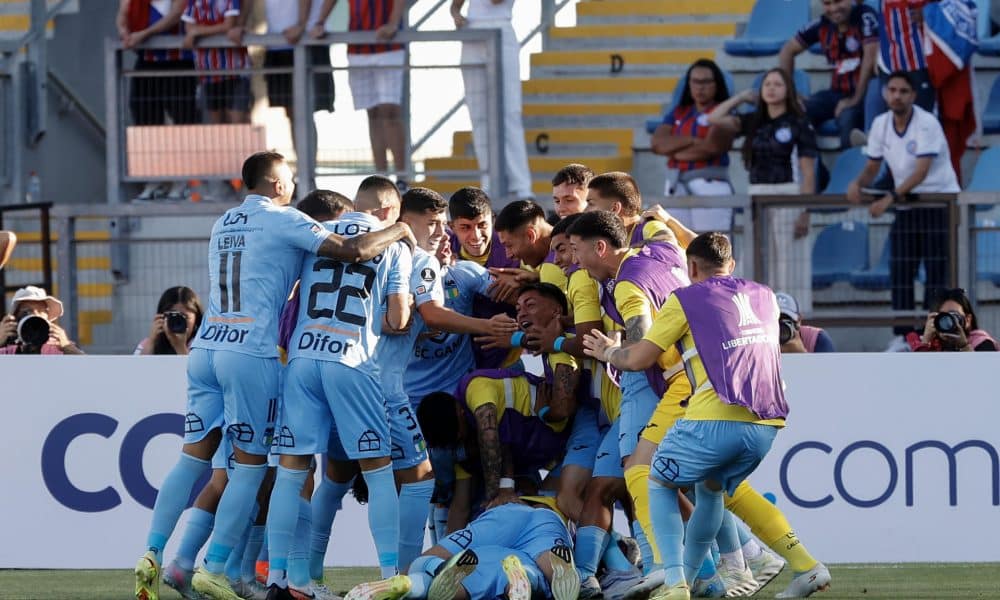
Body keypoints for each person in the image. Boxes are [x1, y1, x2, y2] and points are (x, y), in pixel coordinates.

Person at [133, 151, 414, 600]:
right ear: (278, 184)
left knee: (195, 460)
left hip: (206, 347)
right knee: (250, 471)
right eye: (290, 177)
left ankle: (154, 551)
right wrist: (400, 229)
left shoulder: (223, 221)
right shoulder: (285, 220)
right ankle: (215, 566)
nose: (293, 185)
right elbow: (352, 251)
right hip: (254, 352)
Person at [582, 232, 832, 600]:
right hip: (768, 421)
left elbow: (638, 358)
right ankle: (806, 566)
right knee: (712, 491)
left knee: (653, 477)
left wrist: (608, 352)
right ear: (731, 265)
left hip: (714, 418)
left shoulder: (684, 299)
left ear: (692, 267)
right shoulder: (764, 295)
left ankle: (674, 582)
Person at [264, 175, 413, 600]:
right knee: (379, 471)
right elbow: (398, 319)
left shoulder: (321, 235)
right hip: (351, 360)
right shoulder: (394, 243)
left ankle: (283, 580)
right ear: (388, 211)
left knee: (292, 472)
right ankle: (390, 576)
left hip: (303, 357)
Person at [846, 70, 959, 347]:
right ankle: (904, 336)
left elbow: (921, 171)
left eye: (903, 91)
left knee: (936, 274)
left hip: (937, 201)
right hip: (908, 204)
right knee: (900, 270)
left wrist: (889, 198)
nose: (896, 95)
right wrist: (857, 183)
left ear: (913, 95)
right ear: (886, 93)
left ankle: (938, 335)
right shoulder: (881, 123)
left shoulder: (927, 123)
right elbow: (873, 166)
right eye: (892, 90)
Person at [708, 68, 818, 315]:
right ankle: (757, 312)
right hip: (756, 195)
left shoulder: (799, 123)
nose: (771, 88)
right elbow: (713, 118)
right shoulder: (753, 121)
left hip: (787, 194)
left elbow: (808, 171)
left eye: (778, 84)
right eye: (767, 84)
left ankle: (791, 314)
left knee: (787, 261)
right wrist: (740, 98)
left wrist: (805, 210)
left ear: (788, 90)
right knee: (755, 256)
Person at [344, 499, 579, 600]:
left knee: (453, 569)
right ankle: (524, 581)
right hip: (546, 516)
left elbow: (460, 506)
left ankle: (411, 583)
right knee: (534, 568)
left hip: (498, 518)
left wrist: (403, 571)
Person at [117, 0, 199, 200]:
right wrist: (123, 30)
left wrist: (144, 34)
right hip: (147, 60)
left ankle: (183, 181)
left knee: (182, 121)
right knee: (145, 119)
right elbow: (123, 12)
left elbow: (176, 14)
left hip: (178, 60)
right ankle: (153, 180)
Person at [451, 0, 532, 201]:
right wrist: (456, 14)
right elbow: (456, 5)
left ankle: (520, 184)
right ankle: (488, 179)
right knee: (478, 114)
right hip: (472, 32)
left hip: (500, 29)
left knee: (509, 111)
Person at [651, 58, 736, 232]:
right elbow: (658, 144)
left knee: (711, 249)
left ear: (717, 84)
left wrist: (675, 149)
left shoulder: (723, 110)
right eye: (695, 81)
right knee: (677, 246)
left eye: (706, 82)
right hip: (675, 184)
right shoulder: (679, 111)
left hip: (711, 184)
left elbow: (711, 147)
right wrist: (693, 140)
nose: (700, 87)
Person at [779, 0, 879, 149]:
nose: (833, 8)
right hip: (835, 93)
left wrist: (855, 99)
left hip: (865, 93)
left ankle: (850, 168)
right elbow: (787, 51)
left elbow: (870, 56)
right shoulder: (821, 24)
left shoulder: (865, 15)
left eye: (838, 1)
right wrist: (790, 92)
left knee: (847, 119)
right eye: (827, 3)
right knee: (798, 112)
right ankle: (815, 169)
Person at [262, 0, 336, 187]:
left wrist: (302, 25)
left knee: (304, 112)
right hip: (279, 42)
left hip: (305, 40)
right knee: (293, 113)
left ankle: (308, 175)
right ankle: (303, 174)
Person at [347, 0, 408, 184]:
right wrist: (318, 22)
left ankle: (402, 177)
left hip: (389, 46)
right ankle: (381, 179)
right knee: (372, 113)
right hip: (357, 48)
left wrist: (392, 23)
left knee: (390, 112)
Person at [862, 0, 936, 135]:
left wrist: (932, 12)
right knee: (891, 117)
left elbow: (953, 6)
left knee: (920, 123)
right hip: (888, 60)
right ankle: (873, 141)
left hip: (919, 61)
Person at [182, 0, 251, 126]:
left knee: (238, 123)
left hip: (235, 69)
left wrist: (197, 31)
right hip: (208, 71)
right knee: (217, 126)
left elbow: (228, 25)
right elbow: (188, 27)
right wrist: (196, 31)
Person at [584, 172, 671, 246]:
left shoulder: (648, 226)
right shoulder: (609, 238)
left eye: (591, 204)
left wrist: (627, 253)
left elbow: (667, 239)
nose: (585, 211)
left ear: (614, 208)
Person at [907, 288, 999, 351]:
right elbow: (918, 373)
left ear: (967, 320)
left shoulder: (982, 343)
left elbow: (983, 373)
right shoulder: (922, 342)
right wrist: (925, 342)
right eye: (943, 316)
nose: (949, 321)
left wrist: (964, 346)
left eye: (954, 315)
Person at [0, 286, 84, 355]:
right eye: (26, 311)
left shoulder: (58, 350)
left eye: (40, 311)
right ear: (15, 320)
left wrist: (67, 346)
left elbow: (88, 370)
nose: (35, 315)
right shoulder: (8, 352)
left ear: (48, 317)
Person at [135, 286, 205, 355]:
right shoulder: (147, 344)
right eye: (172, 315)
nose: (177, 321)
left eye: (184, 316)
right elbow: (136, 366)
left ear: (196, 319)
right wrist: (151, 342)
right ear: (161, 317)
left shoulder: (204, 347)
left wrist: (180, 348)